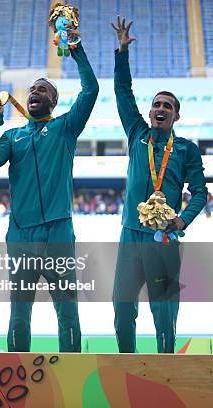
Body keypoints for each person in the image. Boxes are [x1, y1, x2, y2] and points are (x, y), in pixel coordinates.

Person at [0, 37, 98, 352]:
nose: (35, 92)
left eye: (43, 89)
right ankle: (15, 378)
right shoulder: (13, 135)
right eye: (32, 89)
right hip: (20, 233)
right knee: (19, 313)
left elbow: (91, 91)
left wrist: (76, 49)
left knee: (67, 310)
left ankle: (72, 375)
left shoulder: (65, 128)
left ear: (54, 100)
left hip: (58, 232)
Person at [111, 17, 208, 353]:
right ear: (150, 113)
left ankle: (167, 371)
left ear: (176, 117)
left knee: (164, 313)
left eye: (167, 106)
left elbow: (200, 191)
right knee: (122, 309)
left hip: (165, 239)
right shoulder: (137, 133)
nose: (160, 109)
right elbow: (123, 92)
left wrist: (182, 220)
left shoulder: (185, 149)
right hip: (129, 236)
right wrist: (122, 54)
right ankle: (126, 367)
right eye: (156, 104)